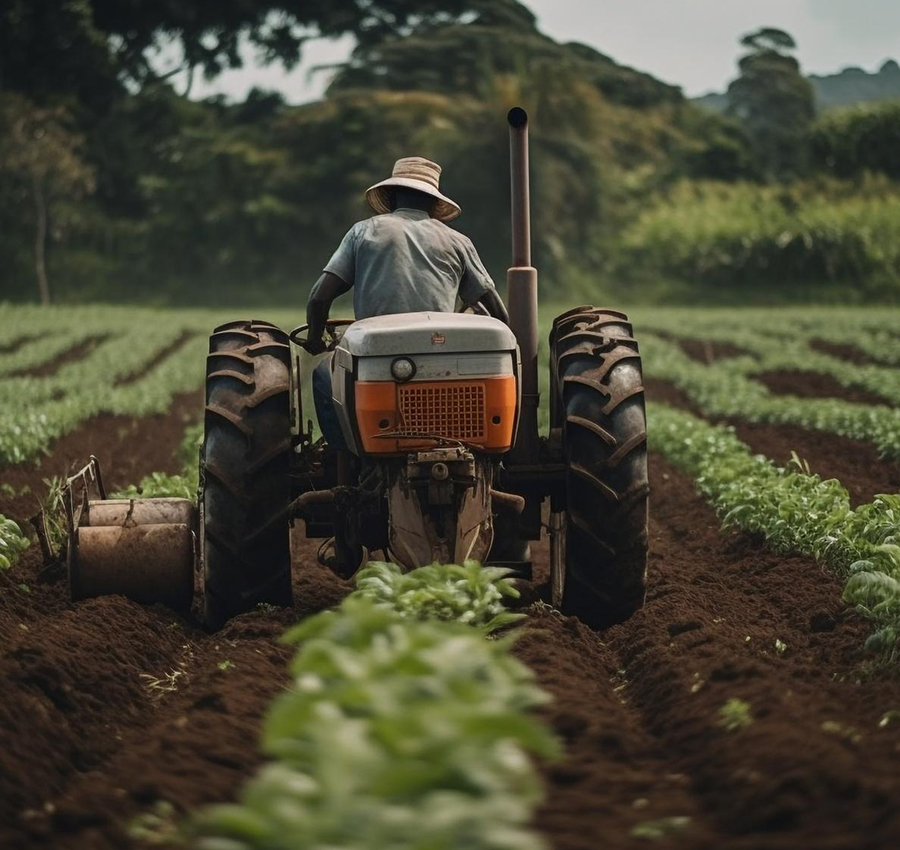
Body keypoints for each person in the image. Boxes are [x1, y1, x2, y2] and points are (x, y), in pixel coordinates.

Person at [305, 156, 509, 448]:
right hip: (445, 356)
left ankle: (347, 460)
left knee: (324, 376)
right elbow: (497, 312)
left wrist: (314, 339)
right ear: (434, 203)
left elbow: (319, 297)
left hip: (376, 354)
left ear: (390, 196)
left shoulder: (364, 232)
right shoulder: (457, 241)